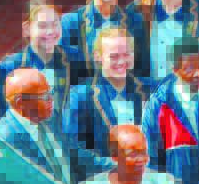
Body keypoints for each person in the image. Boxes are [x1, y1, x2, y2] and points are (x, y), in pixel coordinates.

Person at [143, 39, 199, 184]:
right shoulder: (160, 104)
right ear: (175, 70)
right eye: (190, 68)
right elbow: (151, 157)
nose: (198, 74)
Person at [63, 26, 147, 172]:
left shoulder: (150, 90)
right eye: (114, 56)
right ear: (98, 56)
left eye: (126, 54)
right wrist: (115, 166)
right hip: (103, 178)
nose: (121, 62)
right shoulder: (80, 96)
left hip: (148, 177)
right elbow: (71, 148)